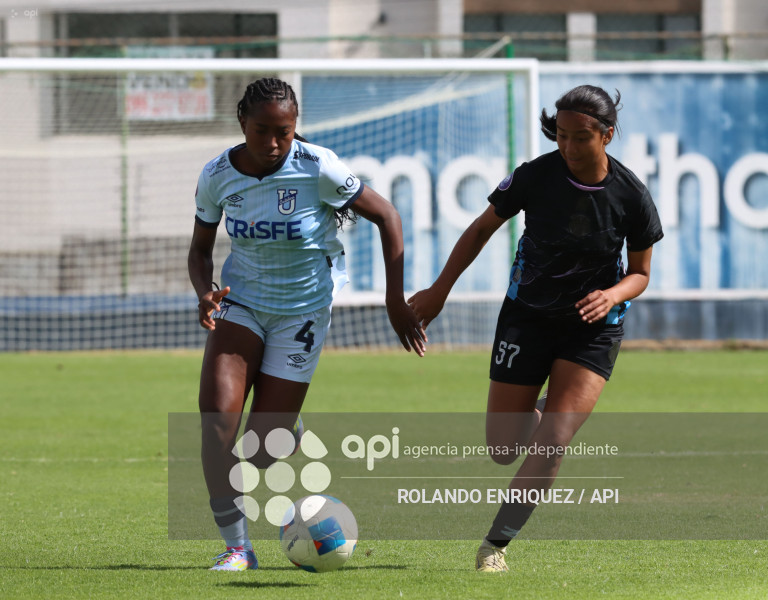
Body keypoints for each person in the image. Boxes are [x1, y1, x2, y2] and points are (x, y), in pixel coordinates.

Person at [408, 85, 663, 572]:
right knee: (503, 449)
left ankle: (495, 545)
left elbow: (641, 273)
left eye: (580, 137)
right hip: (526, 318)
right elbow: (481, 228)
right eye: (560, 135)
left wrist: (613, 295)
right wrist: (439, 290)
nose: (568, 146)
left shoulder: (631, 196)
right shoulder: (535, 176)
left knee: (554, 441)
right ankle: (547, 410)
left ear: (607, 135)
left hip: (592, 328)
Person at [188, 77, 426, 571]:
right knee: (216, 427)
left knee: (260, 452)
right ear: (242, 122)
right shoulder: (216, 175)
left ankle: (287, 430)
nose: (274, 143)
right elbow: (200, 249)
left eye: (284, 132)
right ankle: (238, 549)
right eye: (262, 130)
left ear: (295, 127)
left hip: (303, 312)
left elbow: (387, 215)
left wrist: (394, 299)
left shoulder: (318, 166)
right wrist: (203, 290)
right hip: (241, 304)